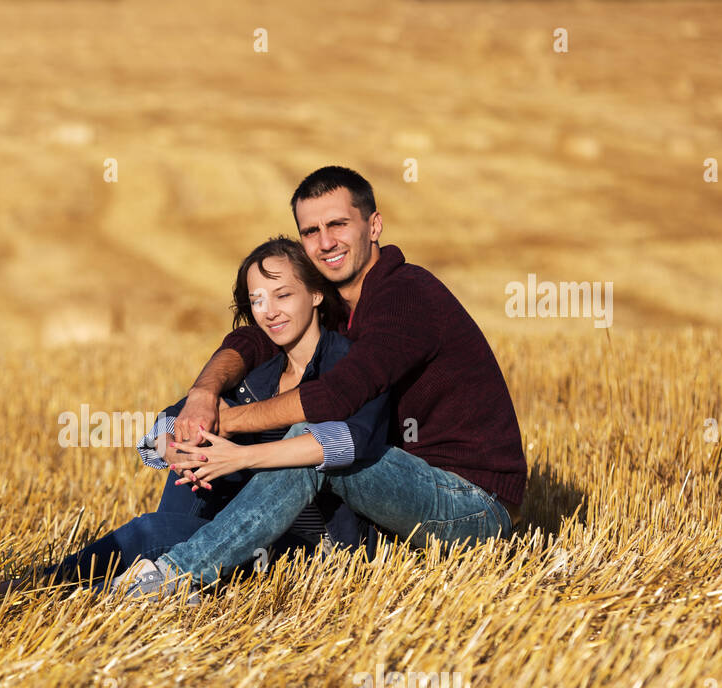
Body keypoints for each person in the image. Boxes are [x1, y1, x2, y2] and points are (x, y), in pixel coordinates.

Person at [118, 165, 527, 601]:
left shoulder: (406, 294)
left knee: (311, 443)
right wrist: (202, 400)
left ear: (374, 225)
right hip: (392, 489)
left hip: (470, 504)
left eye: (337, 224)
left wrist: (226, 427)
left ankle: (176, 576)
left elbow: (339, 395)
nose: (325, 241)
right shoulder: (333, 301)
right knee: (212, 442)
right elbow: (253, 339)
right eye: (310, 230)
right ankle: (159, 552)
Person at [36, 237, 390, 600]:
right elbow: (166, 425)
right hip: (237, 528)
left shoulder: (349, 365)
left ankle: (48, 590)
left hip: (313, 547)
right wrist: (175, 446)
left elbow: (351, 442)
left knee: (153, 532)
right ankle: (67, 590)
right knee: (190, 453)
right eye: (257, 300)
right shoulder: (259, 372)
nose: (269, 311)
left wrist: (237, 455)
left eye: (283, 295)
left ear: (316, 294)